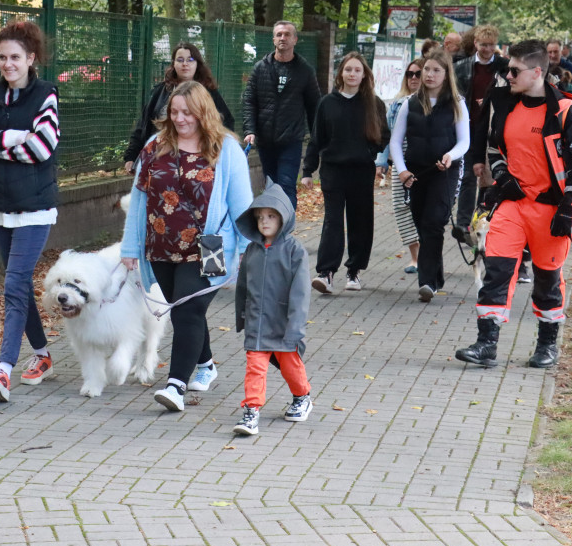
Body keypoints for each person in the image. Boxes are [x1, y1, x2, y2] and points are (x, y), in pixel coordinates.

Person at [455, 39, 572, 369]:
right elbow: (495, 150)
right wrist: (503, 179)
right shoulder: (505, 105)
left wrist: (567, 206)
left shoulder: (564, 112)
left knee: (547, 280)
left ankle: (547, 345)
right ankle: (486, 343)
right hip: (513, 205)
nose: (507, 75)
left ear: (536, 72)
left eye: (514, 70)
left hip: (551, 210)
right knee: (497, 272)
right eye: (507, 70)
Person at [121, 81, 253, 412]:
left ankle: (176, 386)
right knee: (183, 309)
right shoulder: (155, 145)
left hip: (211, 245)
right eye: (175, 112)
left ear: (203, 112)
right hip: (160, 246)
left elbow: (242, 203)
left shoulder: (226, 149)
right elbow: (138, 199)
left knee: (189, 308)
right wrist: (129, 247)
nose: (180, 119)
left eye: (187, 113)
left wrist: (253, 249)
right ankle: (206, 364)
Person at [0, 21, 61, 402]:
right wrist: (13, 137)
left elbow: (42, 148)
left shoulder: (46, 95)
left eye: (15, 57)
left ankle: (3, 369)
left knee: (13, 283)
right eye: (2, 57)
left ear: (31, 58)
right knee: (18, 284)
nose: (8, 64)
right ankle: (42, 355)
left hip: (34, 208)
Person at [301, 51, 390, 294]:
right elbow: (316, 139)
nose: (352, 74)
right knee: (332, 220)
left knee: (360, 220)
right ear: (341, 73)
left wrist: (369, 151)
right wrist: (308, 170)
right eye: (348, 69)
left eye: (357, 70)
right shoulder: (327, 103)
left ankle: (354, 270)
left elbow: (384, 135)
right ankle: (326, 272)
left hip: (361, 171)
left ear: (364, 75)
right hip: (333, 171)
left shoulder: (374, 104)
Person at [231, 180, 312, 436]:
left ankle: (302, 396)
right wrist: (242, 316)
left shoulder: (294, 251)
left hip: (284, 324)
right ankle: (251, 411)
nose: (264, 222)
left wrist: (296, 326)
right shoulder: (252, 251)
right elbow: (243, 286)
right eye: (260, 217)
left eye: (271, 216)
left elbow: (300, 293)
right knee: (255, 366)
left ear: (283, 219)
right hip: (256, 322)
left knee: (291, 366)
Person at [389, 49, 470, 302]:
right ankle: (436, 274)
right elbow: (395, 141)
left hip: (444, 172)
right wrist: (402, 171)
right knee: (422, 224)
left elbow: (464, 141)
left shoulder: (457, 103)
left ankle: (427, 282)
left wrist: (451, 156)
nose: (430, 74)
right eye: (427, 69)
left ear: (446, 75)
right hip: (416, 173)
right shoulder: (409, 103)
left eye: (436, 70)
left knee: (433, 222)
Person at [242, 21, 321, 211]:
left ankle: (285, 233)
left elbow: (314, 107)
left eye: (287, 34)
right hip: (265, 140)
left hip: (291, 140)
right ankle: (272, 233)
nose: (282, 38)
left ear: (295, 39)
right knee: (271, 187)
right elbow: (249, 101)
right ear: (273, 39)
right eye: (278, 35)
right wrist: (250, 129)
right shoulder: (261, 68)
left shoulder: (305, 70)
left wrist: (317, 137)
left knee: (286, 186)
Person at [123, 42, 235, 173]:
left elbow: (225, 124)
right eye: (180, 60)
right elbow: (143, 125)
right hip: (160, 157)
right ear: (173, 64)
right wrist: (131, 155)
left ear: (197, 64)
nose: (185, 64)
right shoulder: (160, 92)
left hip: (198, 160)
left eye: (190, 60)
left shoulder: (209, 93)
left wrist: (219, 155)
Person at [453, 25, 510, 245]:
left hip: (492, 128)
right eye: (483, 44)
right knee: (468, 176)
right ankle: (463, 224)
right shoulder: (462, 67)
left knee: (488, 179)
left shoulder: (504, 67)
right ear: (475, 43)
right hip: (467, 127)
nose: (487, 49)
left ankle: (481, 220)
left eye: (491, 45)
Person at [376, 58, 425, 274]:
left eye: (418, 73)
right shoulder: (397, 103)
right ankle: (415, 257)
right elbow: (387, 134)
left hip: (426, 162)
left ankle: (428, 255)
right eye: (409, 74)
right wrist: (381, 162)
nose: (413, 78)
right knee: (401, 208)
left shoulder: (435, 102)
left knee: (425, 210)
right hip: (400, 161)